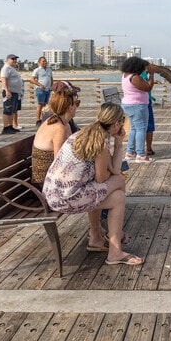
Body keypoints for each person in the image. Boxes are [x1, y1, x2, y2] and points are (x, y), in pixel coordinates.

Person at [43, 102, 143, 266]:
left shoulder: (87, 133)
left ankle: (98, 236)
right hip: (65, 198)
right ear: (117, 124)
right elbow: (103, 178)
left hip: (53, 194)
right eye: (122, 121)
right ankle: (115, 250)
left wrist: (118, 142)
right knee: (118, 194)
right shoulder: (100, 143)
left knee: (116, 191)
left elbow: (114, 169)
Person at [31, 89, 76, 185]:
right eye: (76, 103)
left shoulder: (62, 123)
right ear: (70, 108)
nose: (77, 107)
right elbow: (59, 162)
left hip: (51, 177)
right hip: (46, 183)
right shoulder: (59, 128)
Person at [120, 57, 155, 163]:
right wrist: (152, 74)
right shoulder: (135, 77)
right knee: (141, 129)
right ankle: (140, 155)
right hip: (137, 105)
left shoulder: (125, 75)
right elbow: (148, 87)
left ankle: (130, 152)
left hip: (128, 104)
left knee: (134, 128)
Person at [0, 54, 24, 134]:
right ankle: (6, 127)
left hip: (15, 92)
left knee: (12, 110)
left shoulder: (12, 68)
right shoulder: (6, 68)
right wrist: (7, 90)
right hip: (9, 92)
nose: (14, 60)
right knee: (7, 109)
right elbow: (4, 80)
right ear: (7, 59)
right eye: (12, 59)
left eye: (15, 59)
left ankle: (10, 126)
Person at [31, 56, 53, 127]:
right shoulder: (37, 70)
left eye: (45, 61)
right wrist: (40, 85)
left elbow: (51, 79)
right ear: (39, 62)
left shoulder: (49, 70)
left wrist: (51, 87)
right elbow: (32, 79)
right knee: (40, 105)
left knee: (45, 105)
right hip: (40, 90)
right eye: (43, 61)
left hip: (48, 90)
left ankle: (44, 118)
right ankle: (38, 120)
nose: (45, 62)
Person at [140, 70, 156, 155]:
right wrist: (152, 74)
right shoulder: (140, 74)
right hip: (144, 102)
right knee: (148, 127)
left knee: (137, 128)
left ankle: (132, 151)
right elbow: (148, 87)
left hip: (139, 102)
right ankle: (147, 149)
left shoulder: (132, 74)